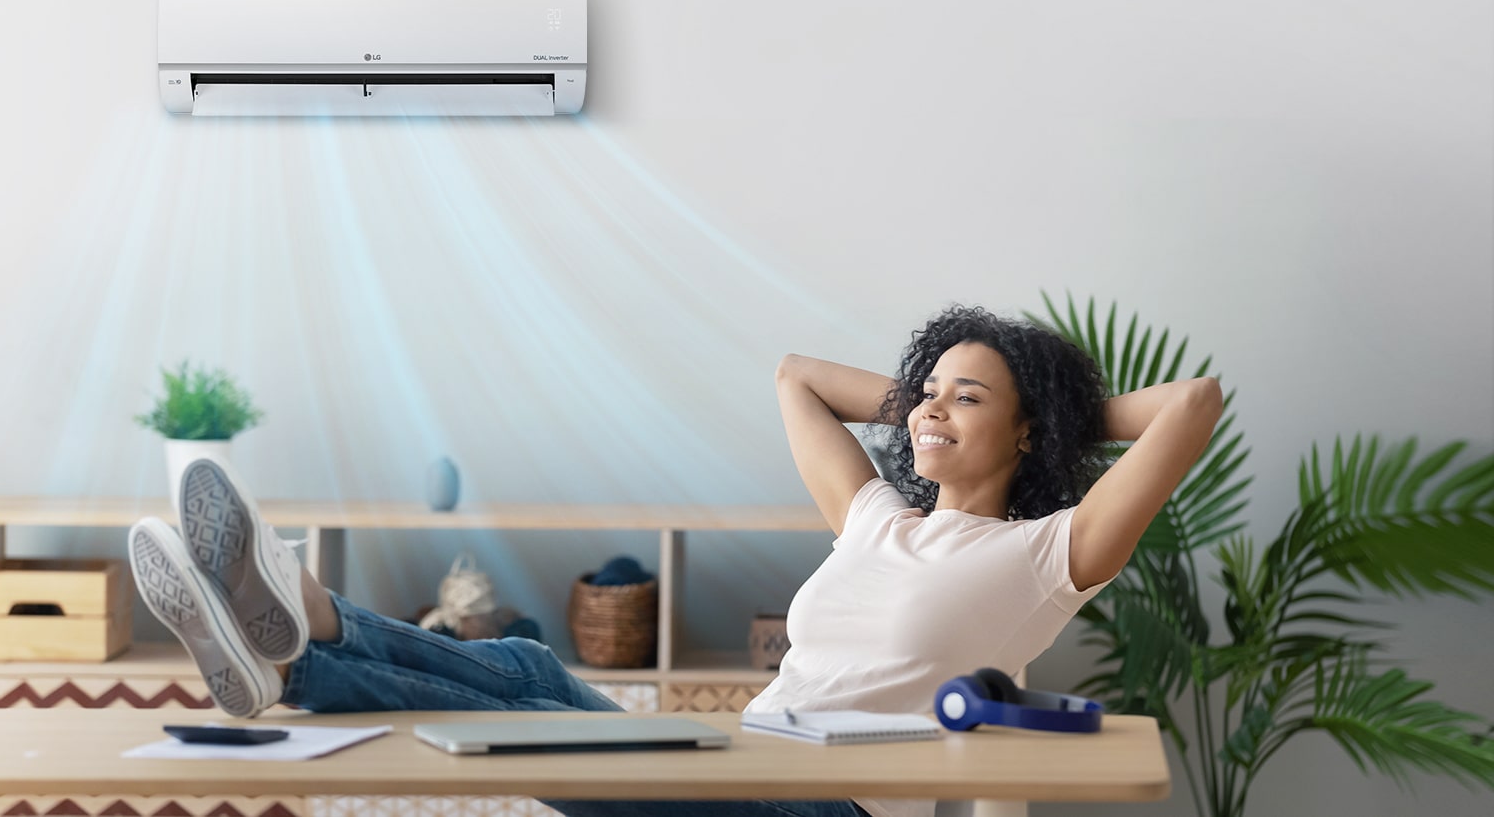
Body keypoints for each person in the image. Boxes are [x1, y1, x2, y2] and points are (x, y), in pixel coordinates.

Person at [129, 304, 1223, 817]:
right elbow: (794, 373)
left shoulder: (1044, 553)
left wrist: (1051, 401)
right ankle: (304, 629)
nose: (930, 407)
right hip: (742, 760)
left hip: (822, 816)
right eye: (923, 392)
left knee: (548, 728)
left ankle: (301, 634)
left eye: (964, 398)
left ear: (1029, 434)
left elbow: (1191, 403)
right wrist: (936, 402)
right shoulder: (877, 518)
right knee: (537, 677)